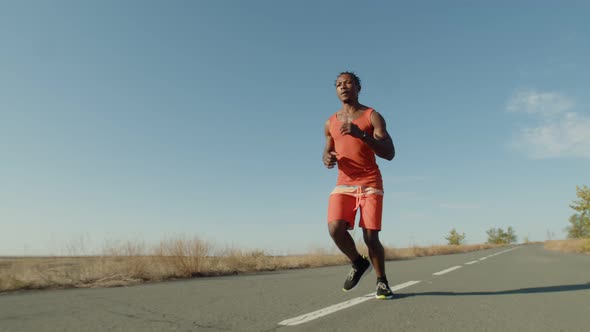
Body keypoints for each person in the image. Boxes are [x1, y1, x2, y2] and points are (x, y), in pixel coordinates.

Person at [322, 72, 395, 299]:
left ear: (358, 87)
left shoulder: (372, 116)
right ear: (336, 90)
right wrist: (327, 158)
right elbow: (328, 148)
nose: (343, 87)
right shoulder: (330, 122)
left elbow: (389, 153)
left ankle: (381, 281)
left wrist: (362, 135)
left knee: (370, 238)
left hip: (370, 181)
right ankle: (358, 262)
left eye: (348, 83)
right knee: (335, 228)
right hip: (344, 183)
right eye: (339, 84)